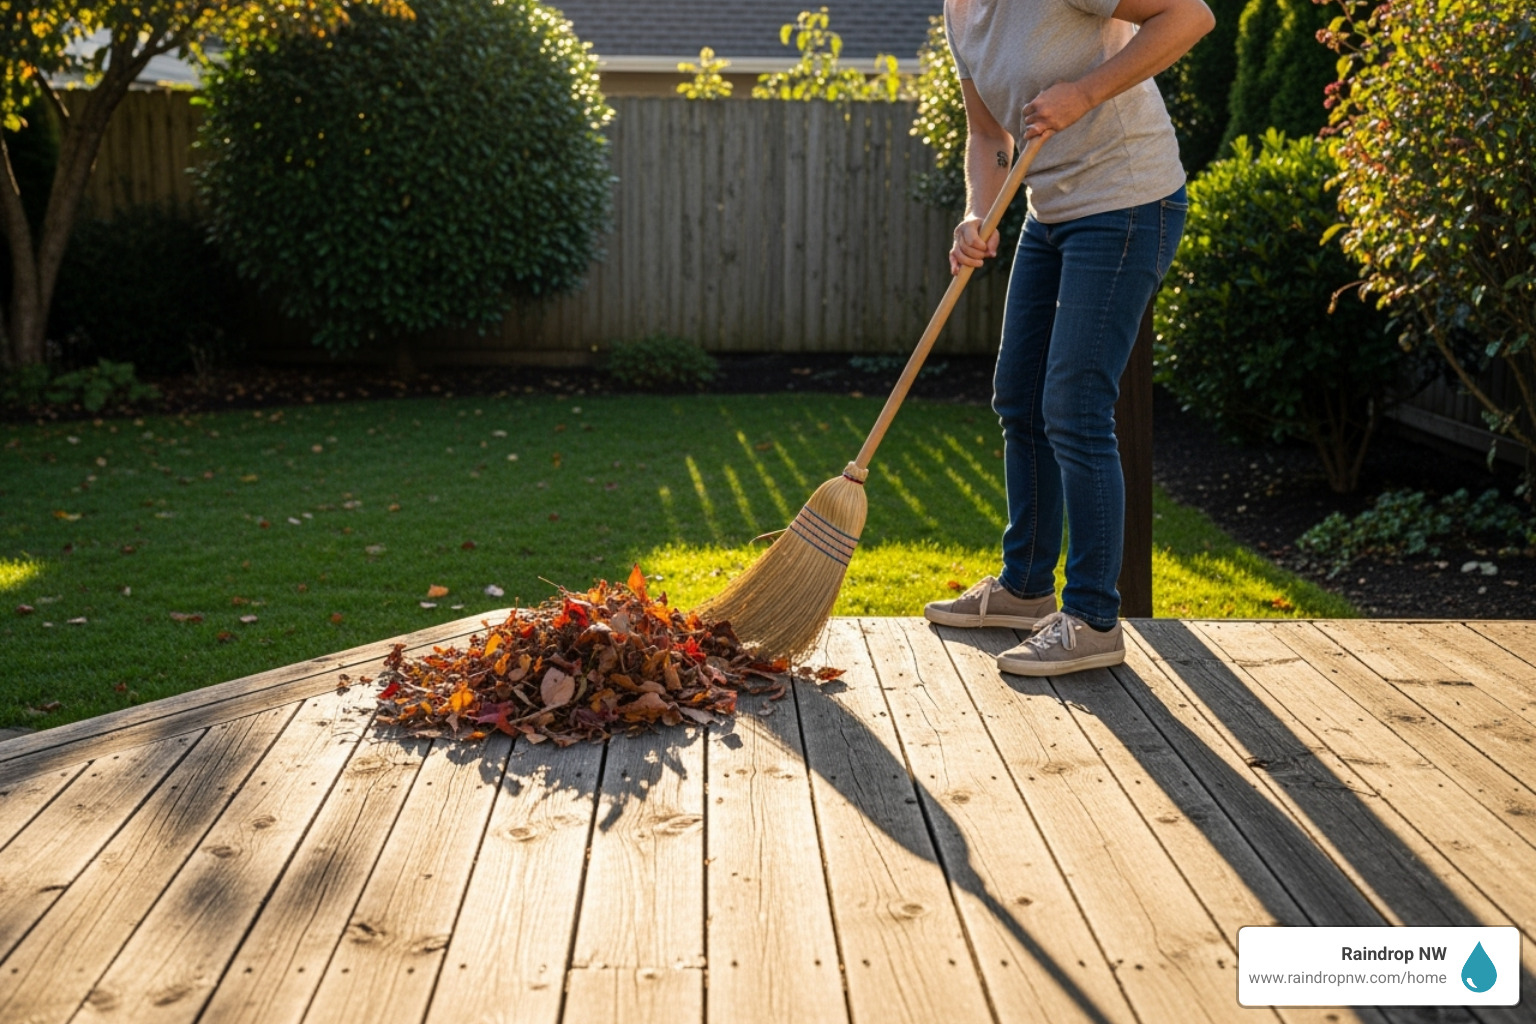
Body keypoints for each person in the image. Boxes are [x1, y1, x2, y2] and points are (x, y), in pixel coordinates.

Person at [922, 0, 1215, 675]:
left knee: (1075, 406)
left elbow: (1190, 16)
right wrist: (976, 213)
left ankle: (1091, 619)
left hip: (1128, 201)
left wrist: (1084, 93)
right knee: (1018, 399)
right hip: (1050, 212)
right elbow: (987, 135)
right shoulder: (960, 12)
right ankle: (1025, 587)